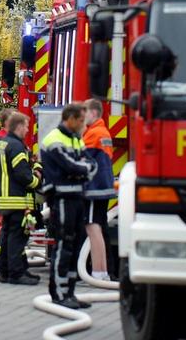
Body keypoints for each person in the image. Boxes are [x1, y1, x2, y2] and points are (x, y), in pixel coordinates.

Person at [40, 103, 92, 309]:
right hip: (61, 198)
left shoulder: (76, 139)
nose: (83, 124)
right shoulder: (54, 139)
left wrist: (81, 169)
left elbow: (91, 165)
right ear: (70, 119)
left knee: (76, 245)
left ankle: (70, 292)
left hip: (77, 197)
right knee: (64, 244)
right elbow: (69, 166)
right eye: (81, 120)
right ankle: (59, 293)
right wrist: (82, 169)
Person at [0, 111, 40, 286]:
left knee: (6, 236)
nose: (27, 130)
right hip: (17, 199)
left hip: (5, 198)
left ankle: (5, 271)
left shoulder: (2, 143)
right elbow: (23, 175)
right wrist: (37, 180)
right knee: (17, 237)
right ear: (19, 127)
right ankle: (16, 273)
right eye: (26, 126)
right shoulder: (16, 146)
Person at [81, 98, 116, 282]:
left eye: (85, 112)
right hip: (102, 187)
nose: (83, 116)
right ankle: (103, 272)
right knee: (99, 228)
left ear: (94, 113)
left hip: (94, 188)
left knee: (93, 228)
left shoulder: (93, 134)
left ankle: (98, 272)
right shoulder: (103, 131)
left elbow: (81, 159)